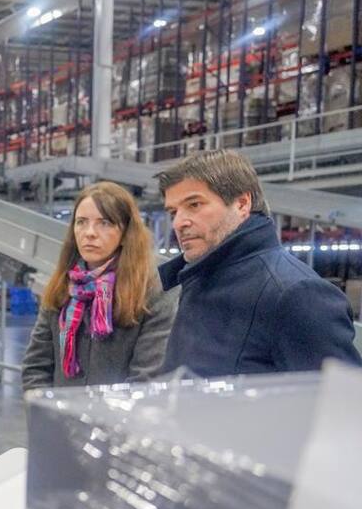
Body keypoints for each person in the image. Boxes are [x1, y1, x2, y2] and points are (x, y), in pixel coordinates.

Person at [156, 149, 361, 375]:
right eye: (173, 212)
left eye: (194, 205)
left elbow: (340, 395)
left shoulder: (296, 294)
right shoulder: (198, 278)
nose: (178, 223)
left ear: (242, 204)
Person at [21, 181, 177, 390]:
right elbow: (35, 368)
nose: (90, 233)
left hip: (122, 411)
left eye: (104, 223)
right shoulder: (62, 286)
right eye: (81, 222)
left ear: (126, 233)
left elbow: (146, 379)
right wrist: (46, 408)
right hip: (59, 410)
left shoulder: (153, 291)